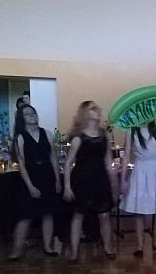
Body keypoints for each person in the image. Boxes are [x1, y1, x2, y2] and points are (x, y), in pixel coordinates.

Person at [63, 101, 116, 261]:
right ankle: (74, 252)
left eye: (97, 108)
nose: (97, 110)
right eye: (93, 108)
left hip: (100, 179)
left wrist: (114, 182)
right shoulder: (78, 137)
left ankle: (108, 247)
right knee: (78, 215)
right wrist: (67, 186)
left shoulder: (104, 135)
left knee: (105, 215)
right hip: (82, 180)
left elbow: (108, 161)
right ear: (85, 113)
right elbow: (68, 163)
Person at [10, 105, 61, 260]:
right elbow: (21, 163)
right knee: (25, 215)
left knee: (48, 213)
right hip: (30, 176)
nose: (32, 115)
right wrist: (30, 186)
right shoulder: (20, 137)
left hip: (47, 175)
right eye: (27, 114)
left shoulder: (47, 133)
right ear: (22, 118)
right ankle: (16, 250)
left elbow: (53, 158)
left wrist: (57, 179)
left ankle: (47, 246)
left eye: (33, 112)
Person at [120, 121, 156, 258]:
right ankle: (140, 245)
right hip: (140, 171)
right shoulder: (131, 131)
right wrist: (123, 179)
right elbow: (126, 156)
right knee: (139, 211)